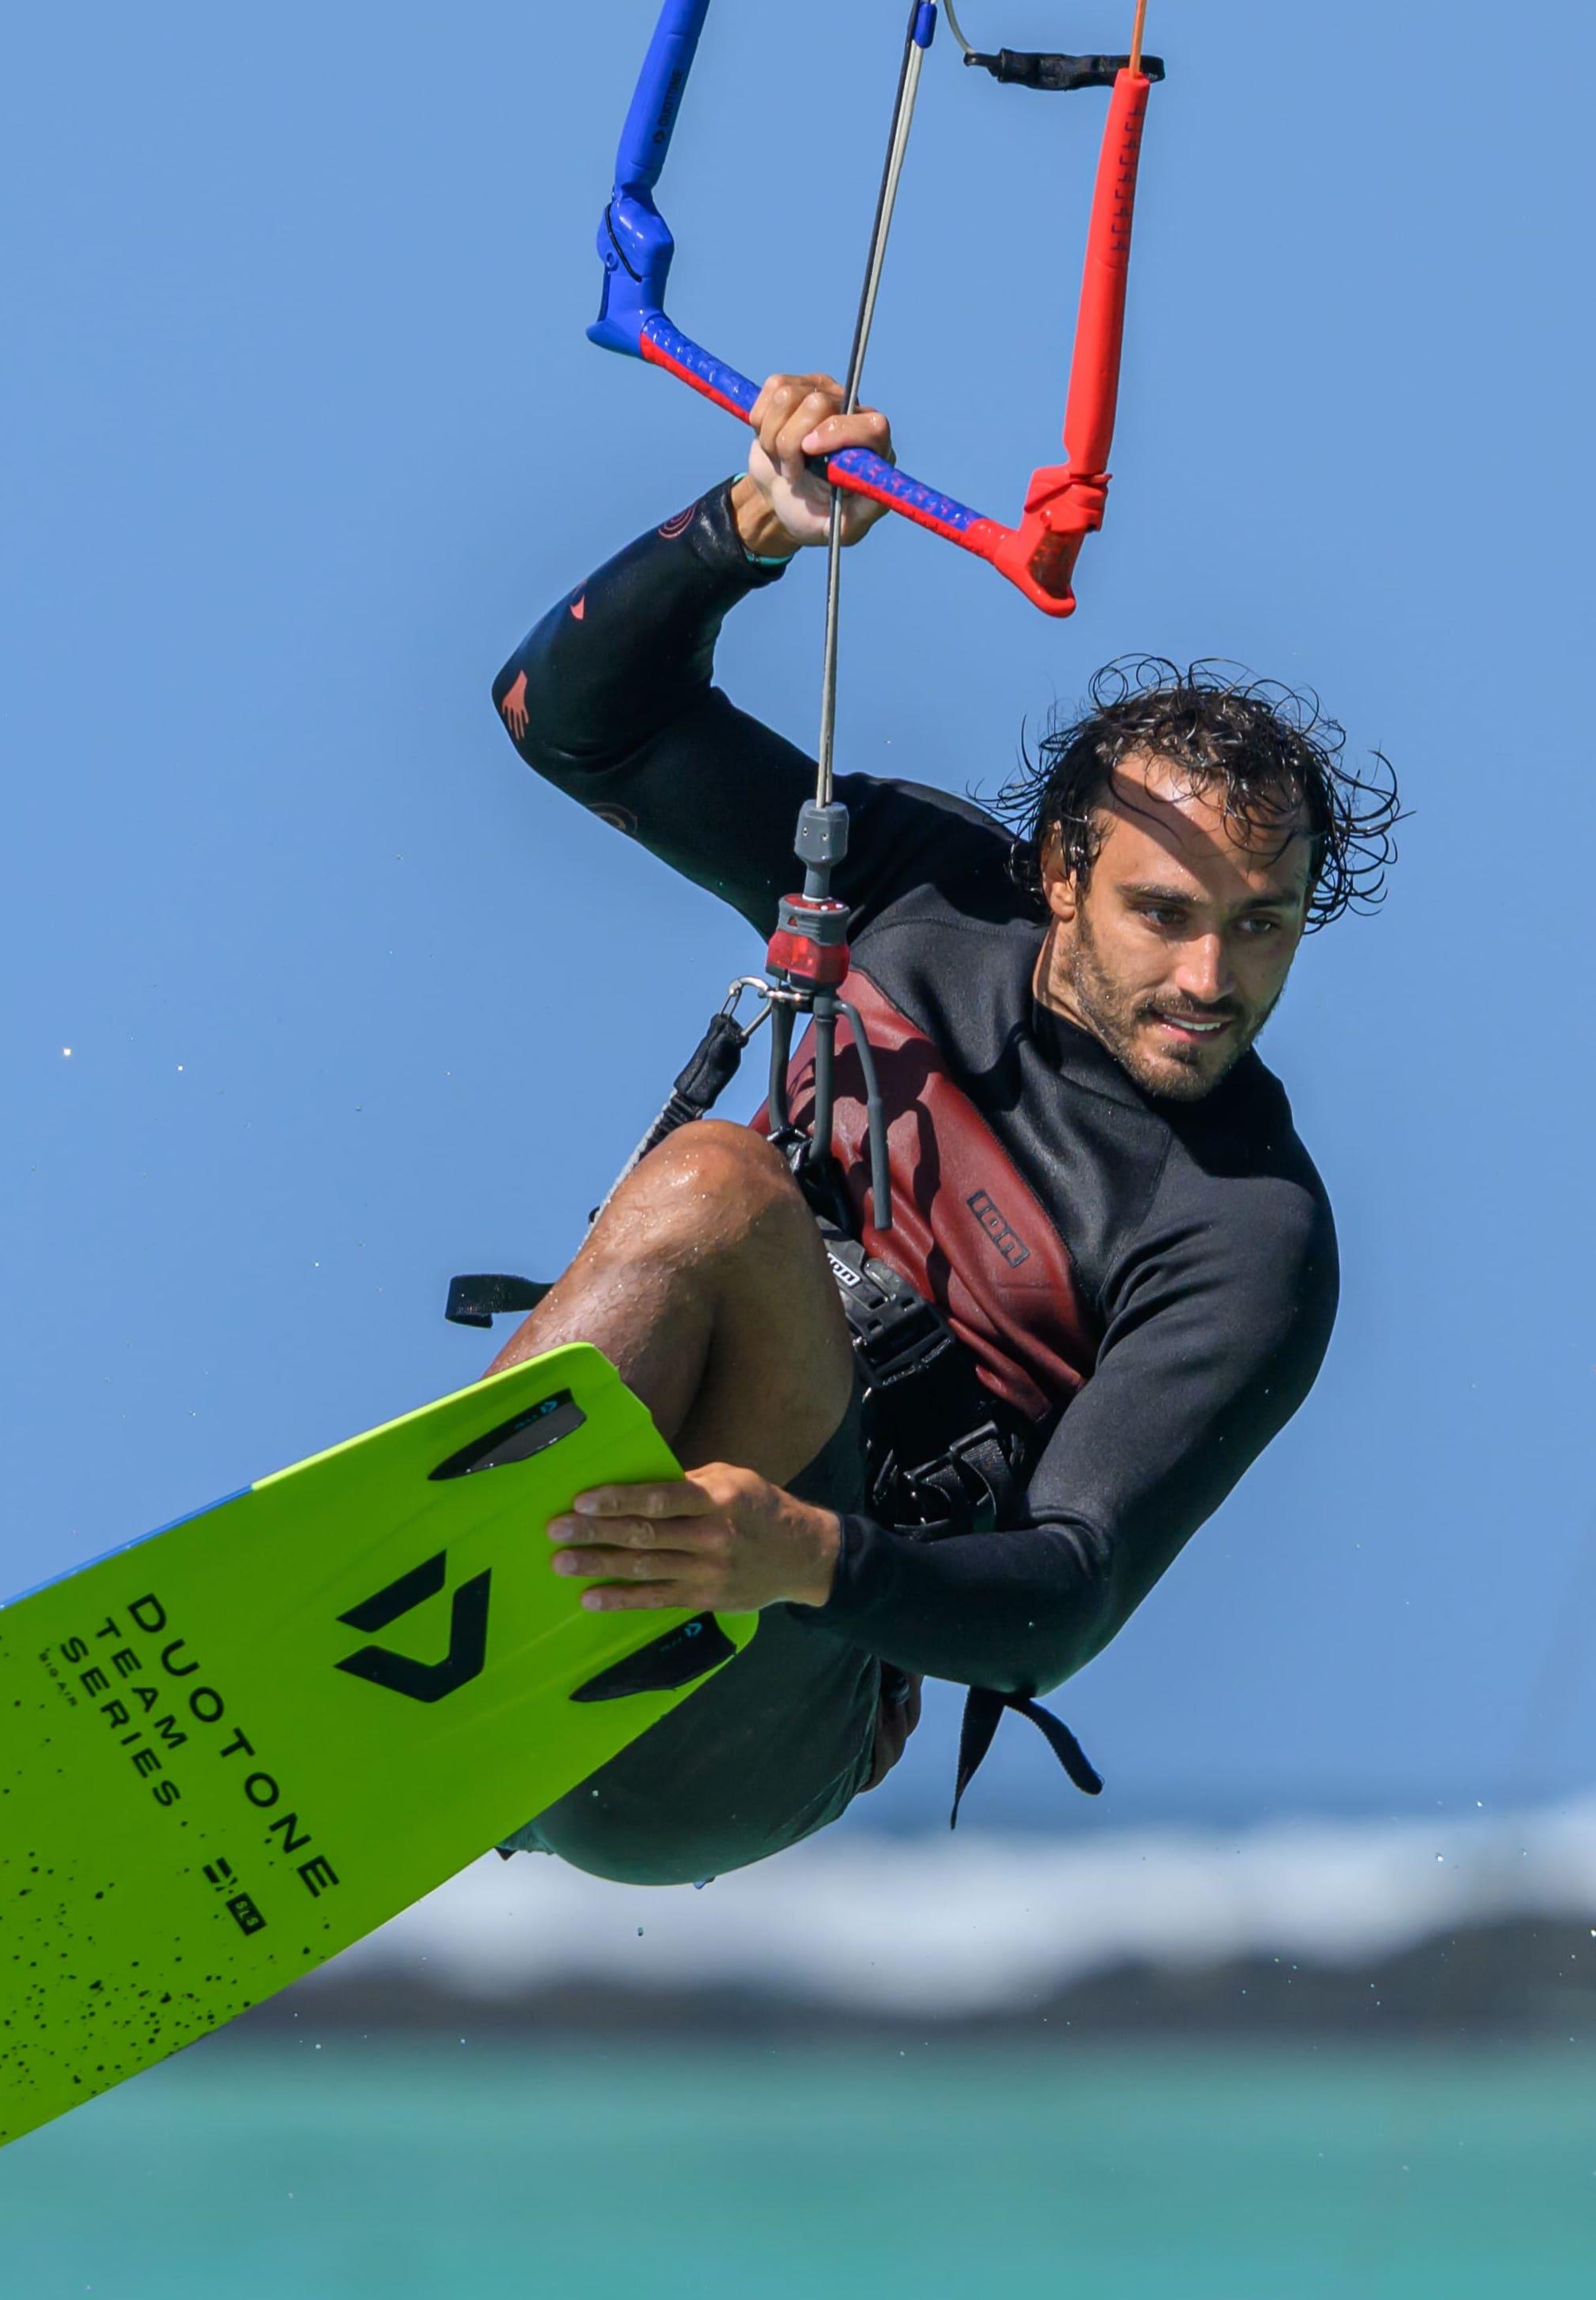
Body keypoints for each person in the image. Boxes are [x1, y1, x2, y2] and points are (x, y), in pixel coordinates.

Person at [481, 372, 1392, 1884]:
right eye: (1163, 915)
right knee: (718, 1188)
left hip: (765, 1710)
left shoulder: (1245, 1229)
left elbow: (1070, 1600)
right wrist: (748, 527)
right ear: (1056, 877)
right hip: (593, 1568)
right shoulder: (912, 882)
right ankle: (412, 1600)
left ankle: (445, 1594)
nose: (1207, 980)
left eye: (1262, 928)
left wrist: (803, 1555)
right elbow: (565, 720)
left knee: (721, 1182)